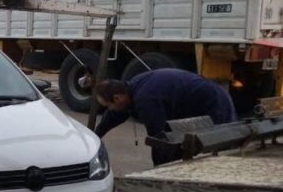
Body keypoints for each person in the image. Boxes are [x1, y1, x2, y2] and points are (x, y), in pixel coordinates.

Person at [94, 68, 237, 166]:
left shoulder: (146, 100)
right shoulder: (131, 88)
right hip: (199, 101)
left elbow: (159, 139)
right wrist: (95, 136)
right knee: (187, 146)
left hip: (215, 103)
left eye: (107, 105)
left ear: (117, 97)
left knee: (220, 149)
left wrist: (158, 173)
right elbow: (114, 115)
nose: (109, 109)